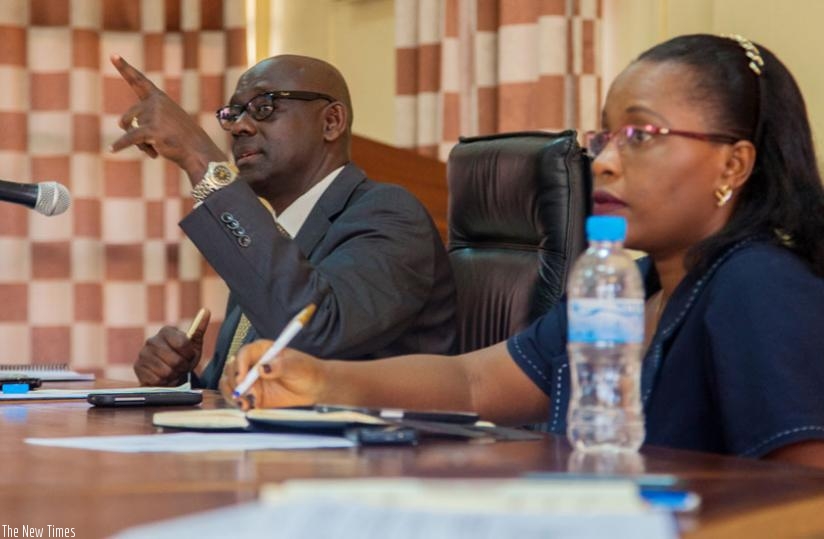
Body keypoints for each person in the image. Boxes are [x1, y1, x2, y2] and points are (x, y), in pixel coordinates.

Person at [222, 34, 824, 468]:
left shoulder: (756, 282)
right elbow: (471, 384)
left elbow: (805, 499)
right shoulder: (633, 284)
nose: (606, 160)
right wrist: (323, 379)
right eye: (604, 136)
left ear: (733, 163)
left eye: (640, 135)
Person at [110, 53, 457, 389]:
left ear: (331, 122)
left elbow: (313, 334)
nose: (240, 127)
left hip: (368, 447)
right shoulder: (269, 236)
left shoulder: (388, 213)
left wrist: (200, 157)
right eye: (234, 113)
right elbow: (238, 390)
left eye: (265, 107)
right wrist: (178, 380)